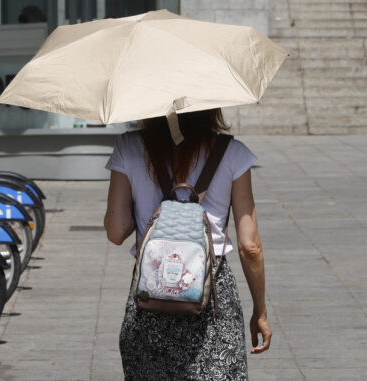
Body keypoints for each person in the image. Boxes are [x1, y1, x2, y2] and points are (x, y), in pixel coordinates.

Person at [103, 109, 271, 380]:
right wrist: (260, 311)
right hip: (212, 295)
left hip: (151, 297)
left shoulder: (129, 147)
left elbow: (116, 231)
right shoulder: (232, 152)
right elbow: (250, 246)